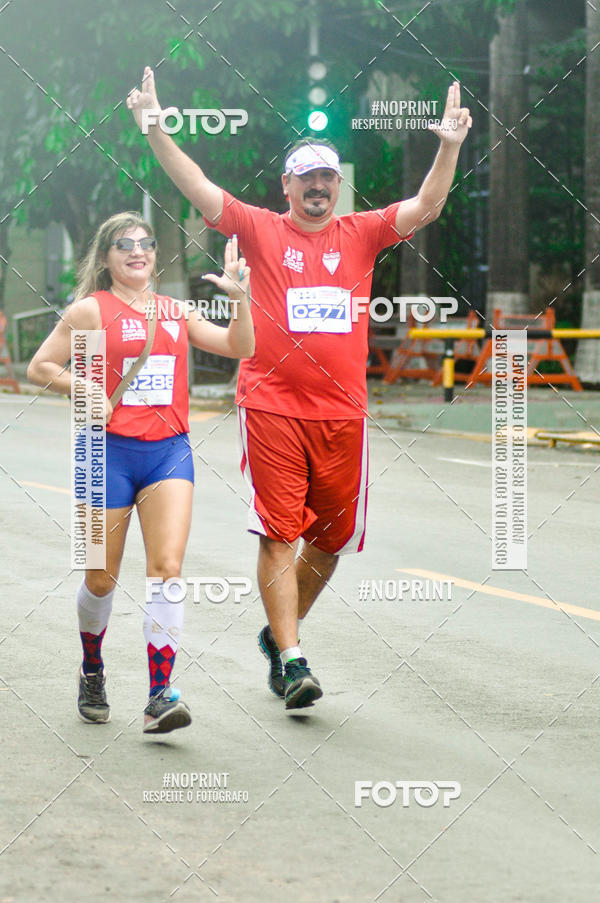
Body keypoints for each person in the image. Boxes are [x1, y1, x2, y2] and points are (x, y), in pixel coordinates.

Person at [127, 68, 472, 710]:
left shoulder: (363, 232)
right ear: (286, 186)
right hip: (271, 405)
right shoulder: (259, 229)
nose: (317, 186)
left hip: (344, 413)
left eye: (327, 178)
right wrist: (154, 128)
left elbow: (426, 206)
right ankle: (292, 660)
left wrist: (448, 147)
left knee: (331, 541)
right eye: (306, 177)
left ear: (338, 187)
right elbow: (196, 185)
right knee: (279, 531)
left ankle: (275, 633)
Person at [27, 211, 254, 733]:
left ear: (155, 254)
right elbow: (41, 366)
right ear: (106, 258)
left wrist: (239, 300)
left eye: (145, 243)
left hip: (167, 452)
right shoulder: (90, 310)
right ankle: (92, 667)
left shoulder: (175, 311)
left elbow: (241, 347)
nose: (138, 251)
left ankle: (159, 694)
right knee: (100, 577)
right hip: (103, 452)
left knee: (168, 568)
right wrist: (82, 388)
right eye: (124, 245)